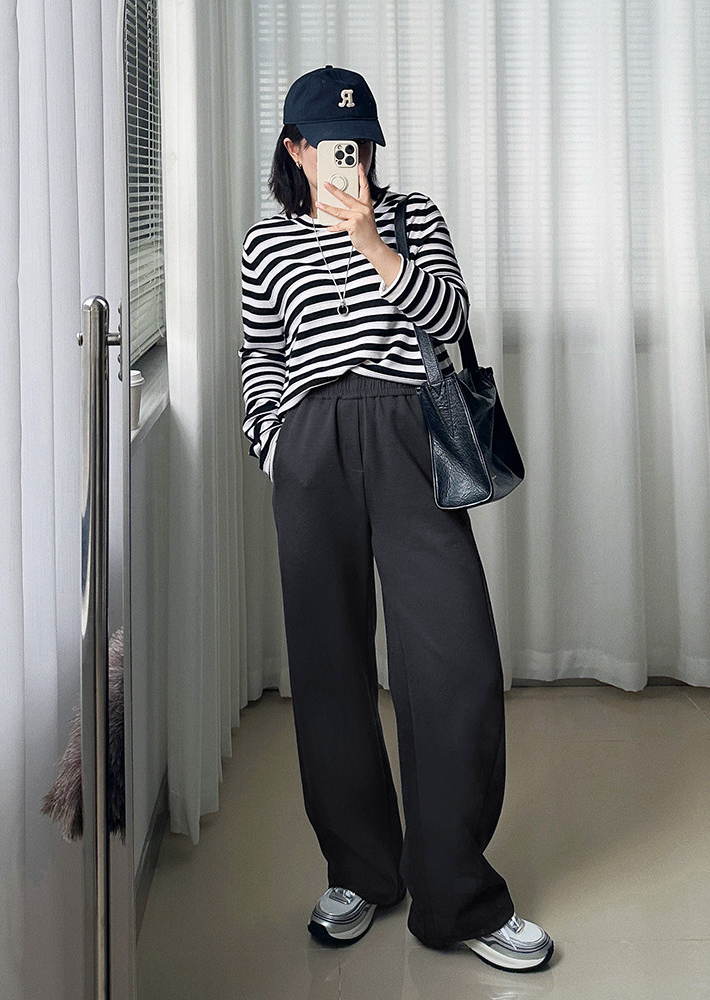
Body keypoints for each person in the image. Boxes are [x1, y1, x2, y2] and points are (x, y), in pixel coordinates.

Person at [237, 64, 554, 974]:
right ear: (295, 149)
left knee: (456, 660)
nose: (354, 160)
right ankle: (361, 871)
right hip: (313, 447)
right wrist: (273, 443)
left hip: (409, 436)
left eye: (363, 144)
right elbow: (261, 355)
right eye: (334, 145)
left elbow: (450, 319)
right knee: (327, 666)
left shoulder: (413, 218)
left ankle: (457, 894)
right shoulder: (266, 245)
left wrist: (374, 241)